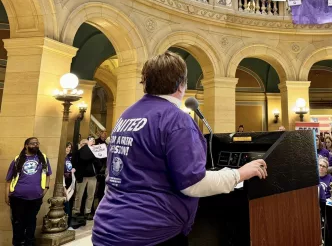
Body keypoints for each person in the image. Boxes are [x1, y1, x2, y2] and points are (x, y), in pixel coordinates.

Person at [92, 51, 267, 245]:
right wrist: (239, 173)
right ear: (181, 84)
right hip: (151, 232)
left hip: (108, 227)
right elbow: (193, 184)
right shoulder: (176, 119)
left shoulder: (127, 115)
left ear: (145, 82)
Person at [5, 137, 51, 246]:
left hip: (35, 197)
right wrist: (6, 196)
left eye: (37, 143)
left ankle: (29, 243)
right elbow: (8, 180)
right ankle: (18, 243)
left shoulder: (43, 158)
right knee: (18, 223)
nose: (35, 145)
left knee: (31, 222)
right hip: (17, 197)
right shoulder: (17, 159)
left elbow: (48, 175)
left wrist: (46, 189)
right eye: (32, 143)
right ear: (26, 145)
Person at [72, 137, 102, 220]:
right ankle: (76, 211)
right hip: (82, 176)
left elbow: (99, 163)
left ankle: (87, 212)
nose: (85, 146)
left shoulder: (93, 153)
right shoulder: (78, 153)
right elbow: (80, 159)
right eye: (84, 144)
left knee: (91, 195)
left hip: (92, 177)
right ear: (80, 145)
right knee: (79, 195)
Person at [318, 157, 332, 246]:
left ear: (327, 169)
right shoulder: (313, 178)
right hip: (314, 203)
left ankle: (329, 241)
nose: (322, 167)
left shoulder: (331, 179)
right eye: (320, 165)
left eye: (324, 166)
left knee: (328, 221)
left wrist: (330, 200)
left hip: (327, 203)